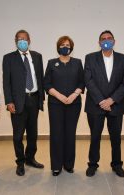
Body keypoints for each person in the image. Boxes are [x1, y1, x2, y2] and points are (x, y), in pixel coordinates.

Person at [84, 30, 124, 177]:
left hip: (116, 105)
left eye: (109, 38)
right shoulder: (90, 58)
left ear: (114, 41)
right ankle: (92, 164)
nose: (106, 40)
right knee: (95, 136)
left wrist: (111, 100)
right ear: (99, 43)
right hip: (95, 105)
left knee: (116, 137)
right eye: (103, 39)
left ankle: (117, 164)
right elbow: (88, 81)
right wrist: (101, 100)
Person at [2, 30, 44, 176]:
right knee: (18, 135)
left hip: (34, 98)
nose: (22, 41)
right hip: (18, 101)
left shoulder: (37, 56)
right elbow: (6, 83)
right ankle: (20, 162)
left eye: (25, 39)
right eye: (19, 39)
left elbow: (40, 78)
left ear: (29, 40)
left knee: (33, 133)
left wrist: (41, 99)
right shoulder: (8, 58)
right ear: (15, 41)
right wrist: (9, 101)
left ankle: (30, 158)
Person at [44, 36, 84, 176]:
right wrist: (59, 96)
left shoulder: (78, 63)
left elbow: (82, 82)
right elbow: (47, 84)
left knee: (70, 134)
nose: (65, 47)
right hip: (55, 104)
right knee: (56, 134)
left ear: (71, 47)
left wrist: (74, 95)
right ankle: (56, 166)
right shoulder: (51, 63)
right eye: (62, 44)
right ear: (58, 47)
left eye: (67, 45)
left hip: (74, 104)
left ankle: (68, 164)